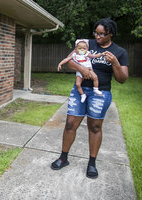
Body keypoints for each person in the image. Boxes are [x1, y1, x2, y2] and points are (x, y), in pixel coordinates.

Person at [51, 18, 129, 179]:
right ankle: (63, 158)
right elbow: (70, 60)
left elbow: (122, 79)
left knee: (94, 127)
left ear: (111, 34)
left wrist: (115, 63)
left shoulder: (120, 52)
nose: (98, 36)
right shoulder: (86, 43)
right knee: (70, 123)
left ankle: (92, 163)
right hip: (79, 91)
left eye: (102, 34)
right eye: (96, 32)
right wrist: (82, 69)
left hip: (100, 93)